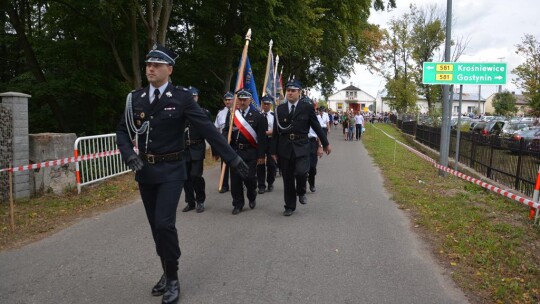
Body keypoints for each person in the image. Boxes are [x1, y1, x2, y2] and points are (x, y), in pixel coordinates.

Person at [116, 44, 249, 304]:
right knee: (156, 227)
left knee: (165, 223)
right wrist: (129, 154)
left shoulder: (182, 98)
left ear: (169, 69)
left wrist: (233, 159)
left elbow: (209, 130)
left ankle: (173, 278)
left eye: (156, 65)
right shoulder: (136, 98)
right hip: (145, 171)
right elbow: (122, 130)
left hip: (172, 170)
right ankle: (166, 270)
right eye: (148, 64)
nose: (150, 68)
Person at [271, 79, 331, 216]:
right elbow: (276, 132)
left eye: (293, 91)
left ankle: (302, 191)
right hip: (285, 147)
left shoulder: (307, 107)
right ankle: (289, 206)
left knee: (301, 172)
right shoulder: (279, 109)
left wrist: (325, 143)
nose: (290, 93)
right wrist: (273, 151)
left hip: (302, 146)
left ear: (299, 92)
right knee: (287, 178)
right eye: (288, 90)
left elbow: (316, 126)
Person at [223, 89, 267, 214]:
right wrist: (226, 138)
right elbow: (226, 130)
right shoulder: (232, 115)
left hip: (251, 152)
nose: (242, 102)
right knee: (236, 180)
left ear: (250, 100)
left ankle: (252, 195)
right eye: (240, 99)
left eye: (245, 99)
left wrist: (261, 155)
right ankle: (238, 204)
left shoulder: (258, 116)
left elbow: (262, 139)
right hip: (235, 151)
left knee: (250, 178)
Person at [181, 86, 211, 213]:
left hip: (197, 147)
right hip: (184, 149)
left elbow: (209, 131)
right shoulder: (180, 112)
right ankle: (190, 201)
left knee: (195, 175)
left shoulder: (203, 113)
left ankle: (200, 200)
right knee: (185, 177)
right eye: (190, 97)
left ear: (197, 97)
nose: (192, 99)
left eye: (194, 97)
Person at [214, 92, 233, 193]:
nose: (228, 101)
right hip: (224, 141)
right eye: (226, 100)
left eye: (229, 99)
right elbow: (217, 129)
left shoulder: (237, 112)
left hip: (234, 142)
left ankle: (238, 184)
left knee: (236, 164)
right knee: (224, 164)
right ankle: (224, 185)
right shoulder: (220, 113)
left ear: (233, 100)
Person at [257, 95, 276, 194]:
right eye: (264, 103)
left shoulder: (274, 116)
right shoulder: (258, 115)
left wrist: (269, 132)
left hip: (271, 141)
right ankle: (261, 185)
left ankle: (270, 183)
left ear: (271, 105)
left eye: (268, 104)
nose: (266, 105)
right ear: (262, 104)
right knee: (260, 163)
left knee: (271, 164)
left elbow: (278, 130)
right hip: (260, 141)